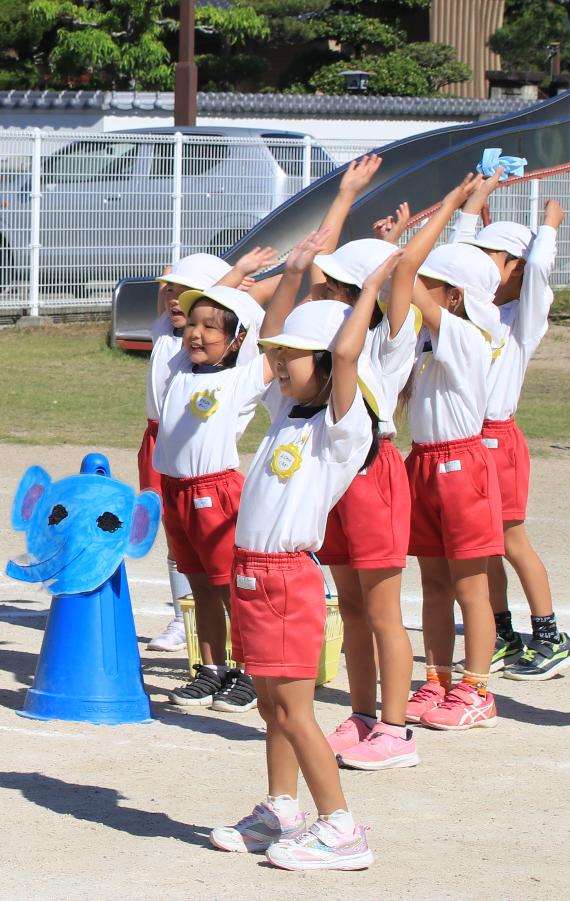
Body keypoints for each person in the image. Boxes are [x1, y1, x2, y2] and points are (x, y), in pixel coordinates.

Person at [207, 262, 393, 873]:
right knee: (269, 707)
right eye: (278, 357)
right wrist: (293, 272)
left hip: (288, 578)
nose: (280, 366)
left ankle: (342, 828)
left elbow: (344, 355)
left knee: (294, 710)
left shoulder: (344, 426)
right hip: (252, 573)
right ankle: (281, 811)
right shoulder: (288, 415)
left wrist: (368, 290)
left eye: (293, 358)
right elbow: (275, 324)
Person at [294, 155, 423, 771]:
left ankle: (396, 730)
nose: (318, 290)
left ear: (357, 295)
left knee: (382, 610)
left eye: (332, 286)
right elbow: (317, 261)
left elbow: (399, 278)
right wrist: (345, 196)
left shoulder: (387, 337)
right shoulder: (326, 322)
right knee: (348, 607)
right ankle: (365, 713)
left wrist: (427, 225)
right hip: (336, 473)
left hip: (374, 473)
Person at [446, 178, 570, 680]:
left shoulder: (524, 318)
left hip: (498, 439)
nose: (481, 271)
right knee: (483, 548)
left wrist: (547, 228)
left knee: (511, 539)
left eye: (495, 261)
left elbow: (541, 271)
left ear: (519, 268)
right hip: (468, 439)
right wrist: (472, 206)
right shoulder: (475, 312)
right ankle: (502, 633)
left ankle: (550, 634)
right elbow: (451, 265)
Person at [396, 174, 508, 731]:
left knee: (470, 586)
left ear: (455, 296)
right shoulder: (428, 341)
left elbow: (406, 275)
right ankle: (437, 677)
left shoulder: (467, 337)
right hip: (424, 465)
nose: (421, 291)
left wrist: (442, 209)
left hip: (462, 467)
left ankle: (476, 686)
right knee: (434, 583)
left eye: (433, 286)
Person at [154, 279, 268, 714]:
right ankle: (212, 668)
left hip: (215, 493)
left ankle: (251, 670)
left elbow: (261, 331)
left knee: (229, 588)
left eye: (210, 327)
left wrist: (290, 275)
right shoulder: (179, 365)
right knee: (198, 585)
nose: (196, 333)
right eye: (192, 324)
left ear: (238, 338)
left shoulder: (242, 377)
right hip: (176, 492)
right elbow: (183, 314)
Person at [138, 253, 230, 652]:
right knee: (174, 535)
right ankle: (181, 617)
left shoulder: (207, 350)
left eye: (185, 293)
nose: (174, 300)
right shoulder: (164, 330)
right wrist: (173, 281)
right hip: (155, 441)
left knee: (208, 538)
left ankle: (220, 616)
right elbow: (167, 296)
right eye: (171, 291)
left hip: (188, 443)